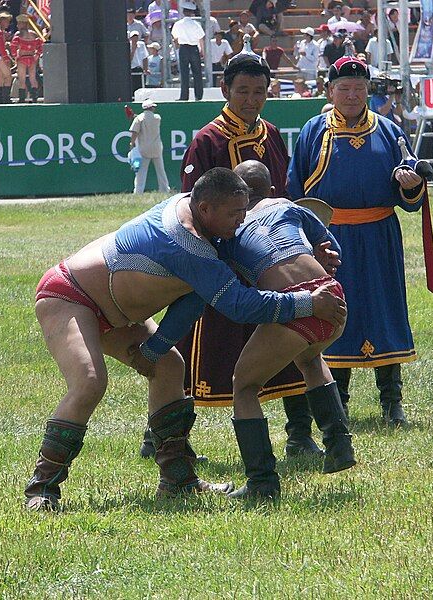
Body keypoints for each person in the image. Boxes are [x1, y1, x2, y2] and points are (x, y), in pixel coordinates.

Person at [24, 167, 346, 510]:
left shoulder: (201, 221)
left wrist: (155, 347)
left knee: (169, 367)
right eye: (235, 214)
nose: (242, 220)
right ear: (205, 209)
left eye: (244, 211)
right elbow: (239, 305)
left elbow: (195, 297)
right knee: (90, 382)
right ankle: (42, 488)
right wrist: (308, 302)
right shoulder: (187, 243)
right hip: (70, 295)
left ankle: (178, 479)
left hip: (116, 311)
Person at [162, 53, 326, 460]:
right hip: (219, 263)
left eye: (259, 92)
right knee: (196, 348)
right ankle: (166, 436)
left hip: (269, 258)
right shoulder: (208, 140)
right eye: (243, 92)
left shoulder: (271, 133)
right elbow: (191, 207)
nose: (251, 100)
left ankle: (300, 435)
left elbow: (283, 196)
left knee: (290, 341)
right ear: (225, 91)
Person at [288, 56, 433, 426]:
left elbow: (410, 199)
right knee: (334, 315)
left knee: (383, 311)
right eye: (344, 88)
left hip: (379, 238)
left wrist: (412, 185)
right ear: (330, 91)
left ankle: (392, 402)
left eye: (359, 88)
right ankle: (336, 399)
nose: (352, 95)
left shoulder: (390, 132)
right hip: (332, 241)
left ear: (368, 90)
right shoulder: (313, 132)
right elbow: (295, 192)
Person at [224, 160, 355, 499]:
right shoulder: (287, 206)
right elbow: (331, 250)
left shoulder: (230, 227)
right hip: (332, 294)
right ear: (271, 190)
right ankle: (339, 445)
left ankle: (262, 483)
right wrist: (316, 255)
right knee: (310, 359)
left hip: (295, 305)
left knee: (245, 385)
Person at [129, 99, 171, 194]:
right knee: (161, 171)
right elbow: (147, 120)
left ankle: (138, 191)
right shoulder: (157, 118)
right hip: (156, 148)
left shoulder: (139, 119)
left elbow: (135, 132)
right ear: (151, 108)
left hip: (144, 149)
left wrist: (131, 143)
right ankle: (164, 189)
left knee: (141, 173)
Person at [171, 1, 205, 101]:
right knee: (197, 73)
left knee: (184, 73)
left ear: (183, 11)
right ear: (191, 12)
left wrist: (178, 46)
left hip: (183, 48)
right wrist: (202, 51)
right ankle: (198, 96)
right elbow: (201, 38)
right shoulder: (196, 24)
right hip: (194, 48)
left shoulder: (178, 24)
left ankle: (184, 96)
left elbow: (175, 37)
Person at [10, 14, 43, 102]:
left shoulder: (18, 34)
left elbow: (13, 46)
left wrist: (15, 56)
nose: (17, 26)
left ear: (22, 23)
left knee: (22, 79)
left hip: (22, 58)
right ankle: (34, 98)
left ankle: (22, 99)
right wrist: (37, 55)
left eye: (19, 24)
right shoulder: (33, 34)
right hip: (32, 58)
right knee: (33, 78)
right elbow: (40, 45)